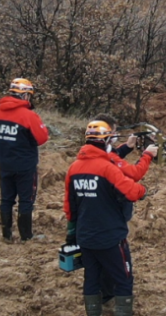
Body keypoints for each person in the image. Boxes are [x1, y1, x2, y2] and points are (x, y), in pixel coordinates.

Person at [65, 120, 155, 316]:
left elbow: (69, 206)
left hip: (85, 236)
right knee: (123, 279)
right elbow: (131, 190)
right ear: (105, 140)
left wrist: (72, 233)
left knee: (91, 279)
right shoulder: (107, 168)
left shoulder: (74, 168)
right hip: (110, 237)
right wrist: (143, 191)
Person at [0, 78, 49, 243]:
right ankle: (26, 236)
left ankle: (6, 235)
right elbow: (42, 138)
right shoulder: (29, 116)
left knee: (6, 199)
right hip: (25, 166)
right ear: (26, 95)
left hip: (4, 164)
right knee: (26, 200)